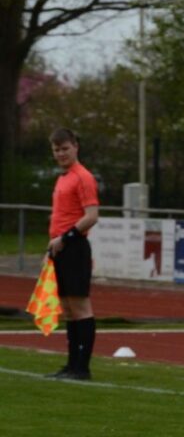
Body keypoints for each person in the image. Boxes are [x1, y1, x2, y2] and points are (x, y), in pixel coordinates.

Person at [45, 128, 100, 381]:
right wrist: (51, 247)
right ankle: (71, 365)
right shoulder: (63, 178)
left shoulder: (83, 177)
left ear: (75, 146)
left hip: (74, 247)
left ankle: (82, 368)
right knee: (67, 308)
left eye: (65, 148)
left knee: (80, 307)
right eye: (56, 150)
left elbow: (91, 216)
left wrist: (65, 238)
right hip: (59, 248)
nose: (61, 154)